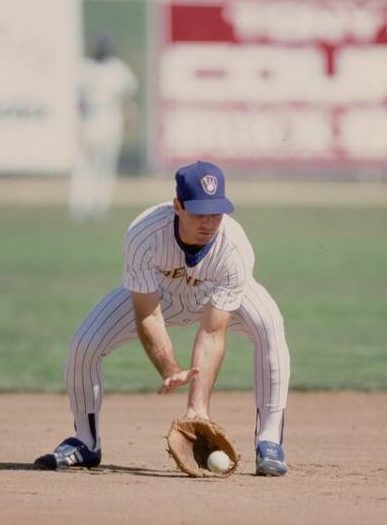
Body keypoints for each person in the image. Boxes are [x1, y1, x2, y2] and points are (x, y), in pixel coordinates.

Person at [36, 161, 291, 476]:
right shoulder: (145, 235)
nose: (209, 222)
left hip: (214, 296)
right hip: (160, 298)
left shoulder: (234, 247)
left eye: (216, 212)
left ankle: (269, 441)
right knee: (83, 344)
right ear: (178, 207)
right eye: (199, 212)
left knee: (269, 324)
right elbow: (148, 313)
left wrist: (197, 409)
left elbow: (212, 332)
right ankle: (85, 443)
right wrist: (169, 368)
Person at [68, 33, 139, 221]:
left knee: (106, 165)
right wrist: (80, 126)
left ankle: (99, 207)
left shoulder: (117, 69)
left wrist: (128, 116)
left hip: (111, 116)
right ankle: (80, 206)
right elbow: (78, 100)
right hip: (92, 116)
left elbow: (129, 94)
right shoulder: (85, 67)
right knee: (85, 164)